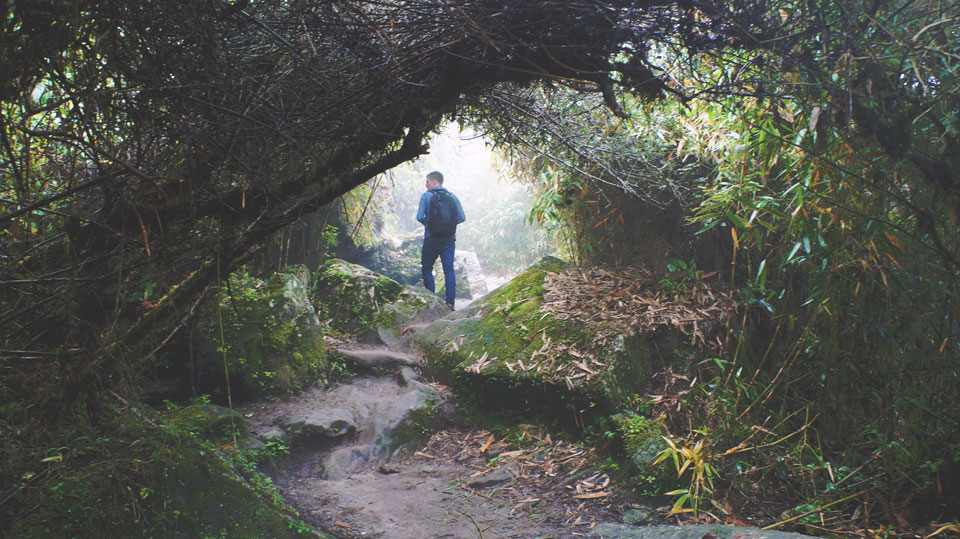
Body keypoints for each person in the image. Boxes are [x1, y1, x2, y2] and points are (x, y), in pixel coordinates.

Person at [416, 170, 465, 311]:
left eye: (427, 182)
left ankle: (433, 301)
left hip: (431, 238)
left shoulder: (426, 196)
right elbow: (462, 217)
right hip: (448, 239)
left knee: (427, 269)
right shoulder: (453, 197)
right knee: (448, 270)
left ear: (433, 181)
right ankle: (450, 304)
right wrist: (448, 226)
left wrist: (430, 225)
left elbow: (419, 217)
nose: (426, 185)